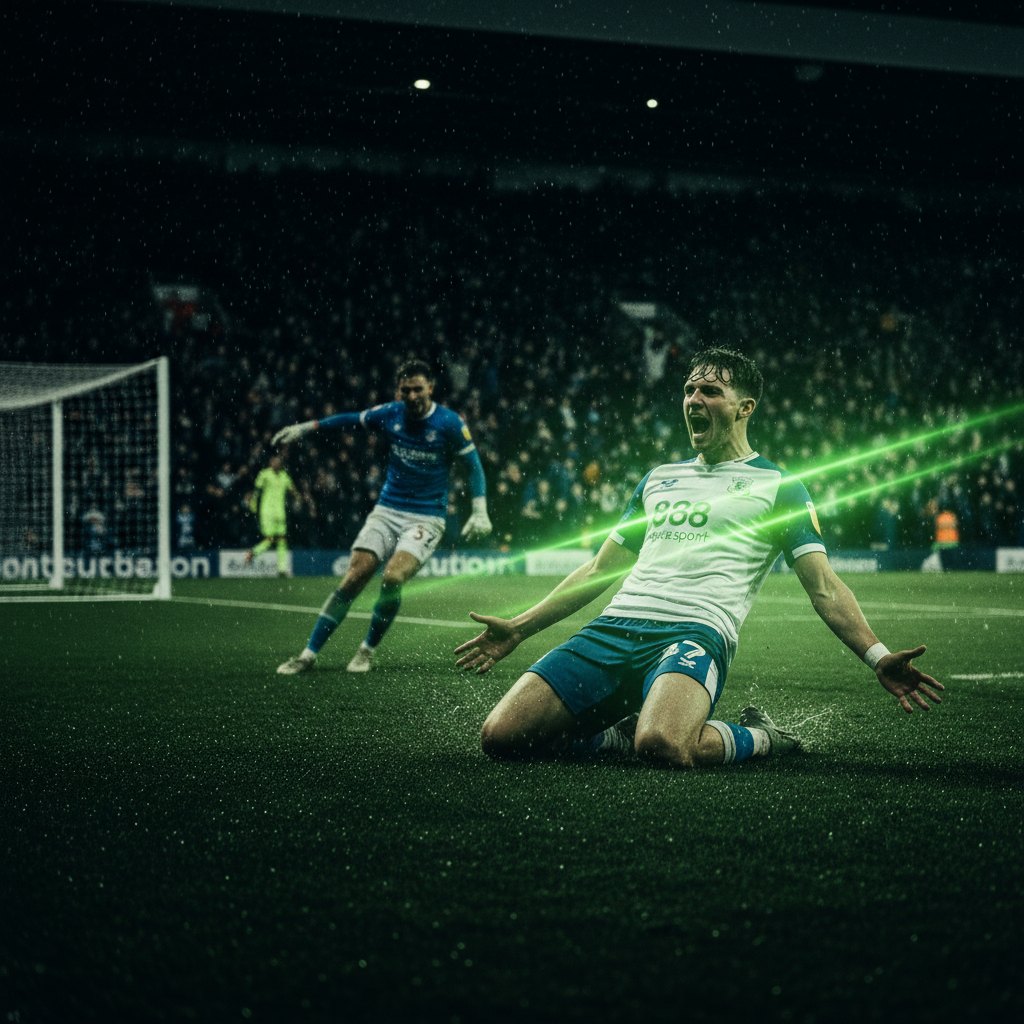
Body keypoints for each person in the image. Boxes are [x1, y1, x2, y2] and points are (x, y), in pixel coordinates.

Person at [455, 348, 942, 768]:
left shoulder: (779, 486)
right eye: (690, 390)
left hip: (694, 631)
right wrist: (520, 628)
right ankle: (615, 734)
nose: (694, 400)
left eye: (710, 392)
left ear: (745, 407)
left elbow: (824, 587)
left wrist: (877, 656)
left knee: (662, 746)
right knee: (500, 738)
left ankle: (764, 736)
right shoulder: (657, 478)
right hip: (614, 627)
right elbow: (600, 570)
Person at [273, 359, 492, 674]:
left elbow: (474, 467)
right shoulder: (390, 413)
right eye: (406, 390)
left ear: (430, 388)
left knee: (392, 577)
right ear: (399, 390)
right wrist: (308, 427)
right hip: (388, 510)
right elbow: (349, 420)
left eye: (418, 389)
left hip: (426, 517)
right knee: (354, 577)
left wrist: (480, 509)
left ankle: (366, 650)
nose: (412, 396)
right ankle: (307, 655)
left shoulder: (449, 423)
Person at [245, 454, 300, 576]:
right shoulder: (264, 474)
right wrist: (253, 503)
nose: (276, 463)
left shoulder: (284, 475)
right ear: (270, 462)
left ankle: (281, 570)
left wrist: (298, 496)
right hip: (267, 512)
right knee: (269, 540)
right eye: (274, 461)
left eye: (278, 461)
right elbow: (257, 490)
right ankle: (253, 552)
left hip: (280, 513)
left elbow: (292, 489)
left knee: (282, 540)